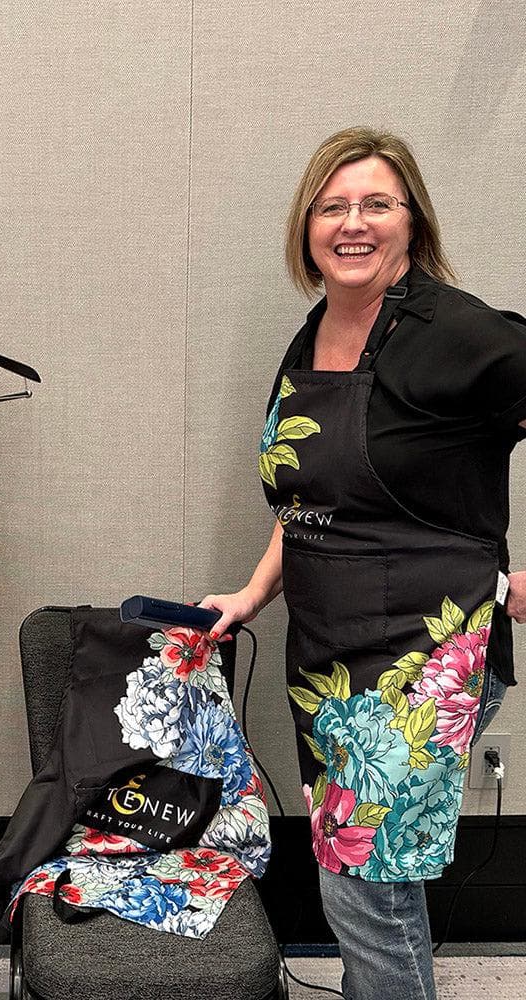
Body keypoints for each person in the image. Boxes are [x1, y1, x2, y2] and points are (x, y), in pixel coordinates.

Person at [201, 126, 524, 1000]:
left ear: (411, 222)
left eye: (376, 203)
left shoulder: (453, 331)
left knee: (362, 885)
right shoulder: (312, 335)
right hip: (329, 659)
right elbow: (309, 498)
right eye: (332, 206)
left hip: (424, 658)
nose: (353, 223)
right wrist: (253, 592)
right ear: (307, 227)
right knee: (374, 885)